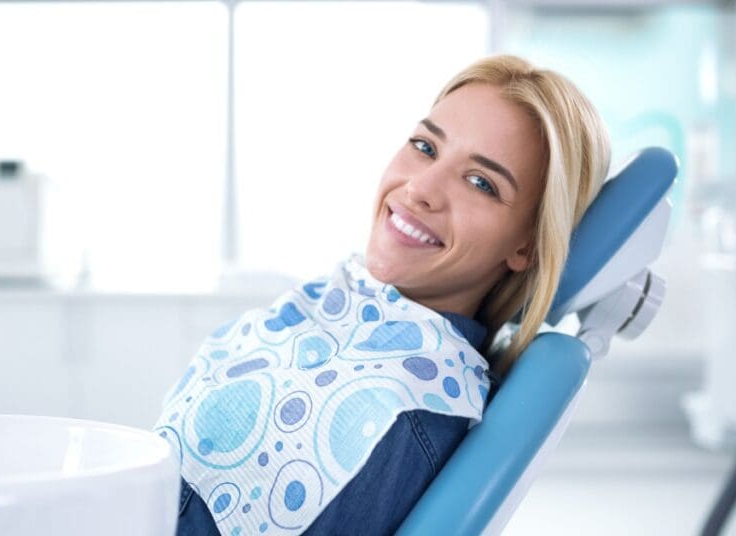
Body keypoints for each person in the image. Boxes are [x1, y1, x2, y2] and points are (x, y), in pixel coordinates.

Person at [157, 54, 611, 535]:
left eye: (481, 182)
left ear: (527, 245)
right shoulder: (335, 305)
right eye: (425, 146)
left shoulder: (396, 413)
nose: (420, 189)